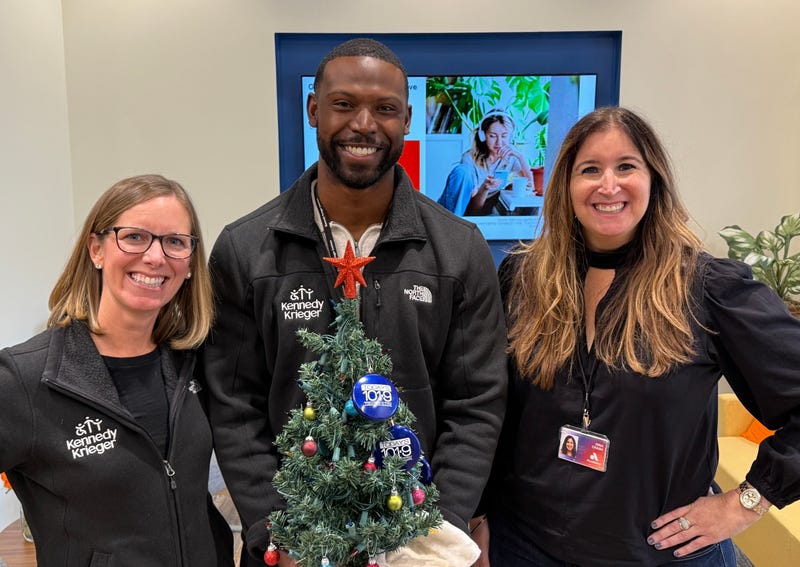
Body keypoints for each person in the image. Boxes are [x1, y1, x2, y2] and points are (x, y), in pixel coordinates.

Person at [202, 38, 507, 566]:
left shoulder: (460, 249)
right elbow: (233, 408)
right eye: (344, 104)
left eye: (385, 109)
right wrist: (279, 534)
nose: (364, 124)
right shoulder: (245, 249)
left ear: (407, 119)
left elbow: (476, 402)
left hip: (418, 540)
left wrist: (434, 532)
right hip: (291, 549)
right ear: (314, 110)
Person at [472, 106, 800, 566]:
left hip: (656, 552)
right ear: (566, 185)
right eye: (590, 170)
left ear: (654, 181)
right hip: (524, 545)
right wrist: (478, 517)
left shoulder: (707, 289)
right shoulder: (523, 279)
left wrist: (746, 503)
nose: (609, 186)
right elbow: (492, 409)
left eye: (626, 167)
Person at [0, 175, 233, 566]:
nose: (156, 258)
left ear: (190, 263)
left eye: (175, 242)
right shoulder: (25, 377)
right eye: (135, 237)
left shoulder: (196, 361)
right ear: (96, 249)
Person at [437, 109, 534, 216]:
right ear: (483, 136)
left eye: (504, 136)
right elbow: (472, 210)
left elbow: (531, 186)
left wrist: (519, 156)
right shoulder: (469, 158)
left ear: (511, 136)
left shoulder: (511, 158)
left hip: (482, 210)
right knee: (462, 171)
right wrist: (484, 187)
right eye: (492, 136)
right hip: (456, 209)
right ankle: (449, 224)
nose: (499, 142)